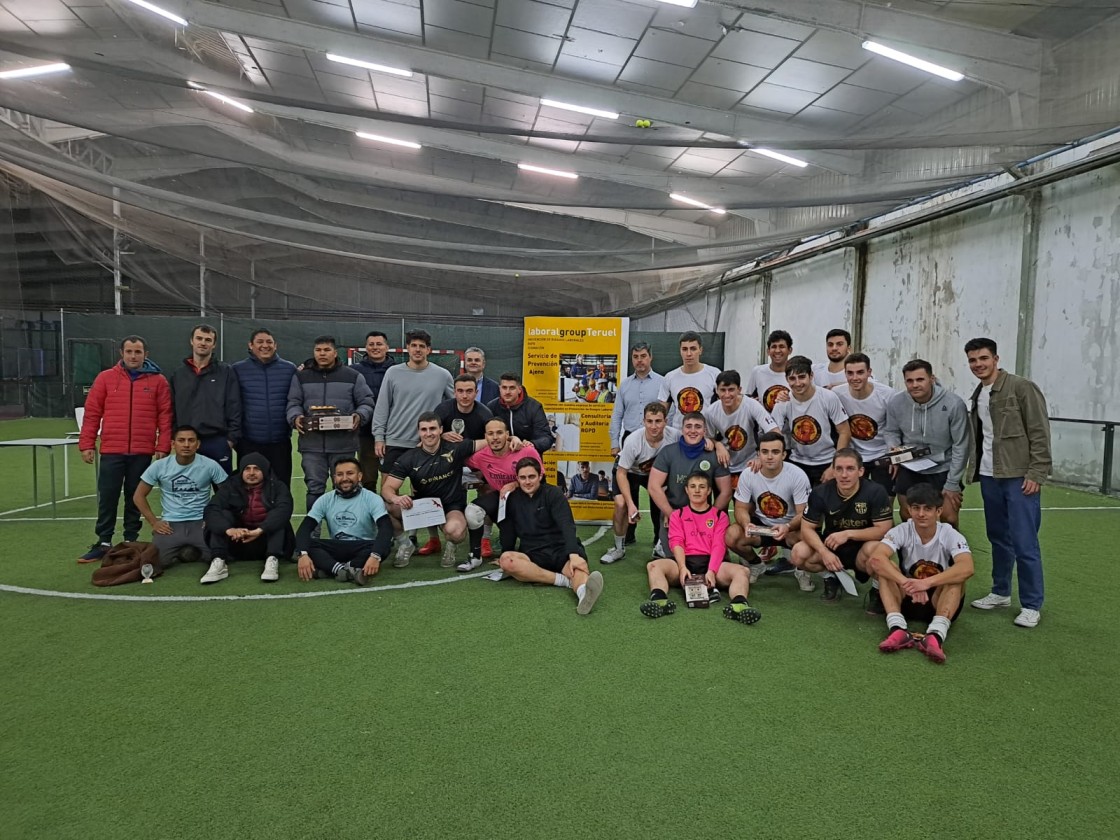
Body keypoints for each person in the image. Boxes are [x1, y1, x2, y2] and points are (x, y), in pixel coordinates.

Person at [963, 337, 1052, 629]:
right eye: (973, 360)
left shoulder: (1022, 388)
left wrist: (1036, 473)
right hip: (990, 476)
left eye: (983, 359)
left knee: (1025, 542)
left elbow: (1039, 431)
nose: (978, 365)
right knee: (998, 537)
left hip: (1018, 477)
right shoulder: (978, 393)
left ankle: (1031, 604)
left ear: (996, 359)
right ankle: (1001, 592)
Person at [78, 334, 174, 563]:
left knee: (135, 497)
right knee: (108, 497)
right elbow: (92, 414)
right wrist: (86, 444)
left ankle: (131, 540)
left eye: (138, 352)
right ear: (121, 353)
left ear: (145, 355)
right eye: (129, 351)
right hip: (112, 450)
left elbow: (166, 416)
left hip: (142, 452)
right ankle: (103, 541)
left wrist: (162, 446)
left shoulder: (158, 381)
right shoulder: (105, 379)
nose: (133, 356)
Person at [867, 482, 975, 663]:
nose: (921, 514)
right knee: (886, 568)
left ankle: (935, 635)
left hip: (938, 599)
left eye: (928, 509)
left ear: (938, 512)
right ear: (909, 509)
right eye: (916, 508)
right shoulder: (902, 530)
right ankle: (898, 630)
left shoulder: (950, 534)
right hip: (908, 596)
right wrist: (906, 583)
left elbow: (967, 567)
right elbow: (876, 559)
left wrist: (925, 583)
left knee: (957, 576)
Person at [640, 471, 759, 624]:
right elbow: (676, 542)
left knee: (743, 571)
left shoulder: (719, 516)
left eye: (702, 487)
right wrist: (682, 567)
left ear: (709, 491)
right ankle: (660, 601)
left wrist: (711, 571)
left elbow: (718, 545)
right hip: (684, 563)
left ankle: (738, 606)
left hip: (712, 564)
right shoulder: (677, 515)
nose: (697, 490)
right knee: (654, 565)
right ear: (686, 490)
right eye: (693, 486)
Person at [498, 457, 605, 615]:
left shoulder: (553, 493)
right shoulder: (511, 498)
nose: (527, 482)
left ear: (540, 476)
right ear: (517, 479)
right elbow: (508, 530)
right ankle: (563, 581)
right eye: (523, 478)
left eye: (531, 477)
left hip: (560, 548)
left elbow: (566, 524)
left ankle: (583, 595)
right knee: (507, 561)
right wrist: (504, 552)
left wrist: (573, 554)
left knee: (577, 567)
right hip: (532, 553)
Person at [380, 413, 486, 570]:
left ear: (441, 430)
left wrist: (514, 440)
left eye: (432, 429)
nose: (428, 433)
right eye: (424, 429)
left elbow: (490, 441)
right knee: (385, 508)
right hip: (422, 507)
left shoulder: (455, 448)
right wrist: (396, 498)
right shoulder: (408, 458)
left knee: (456, 532)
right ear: (418, 432)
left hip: (451, 506)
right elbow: (387, 488)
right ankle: (406, 544)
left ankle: (451, 545)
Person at [790, 448, 893, 603]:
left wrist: (848, 534)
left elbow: (883, 529)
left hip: (863, 548)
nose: (844, 475)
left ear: (861, 471)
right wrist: (824, 552)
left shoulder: (876, 491)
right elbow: (807, 528)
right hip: (833, 547)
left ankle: (877, 589)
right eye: (839, 469)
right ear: (834, 471)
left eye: (850, 469)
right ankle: (831, 577)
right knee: (799, 553)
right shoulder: (820, 492)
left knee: (875, 551)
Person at [286, 335, 375, 511]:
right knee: (314, 488)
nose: (322, 354)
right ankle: (313, 532)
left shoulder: (352, 376)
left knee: (345, 488)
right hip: (312, 445)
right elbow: (293, 403)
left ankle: (345, 530)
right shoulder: (301, 376)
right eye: (318, 350)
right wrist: (295, 417)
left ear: (335, 352)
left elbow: (367, 402)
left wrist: (359, 415)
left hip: (343, 445)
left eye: (326, 350)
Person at [883, 359, 970, 528]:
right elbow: (891, 431)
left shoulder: (954, 404)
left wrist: (952, 483)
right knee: (907, 515)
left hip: (943, 466)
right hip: (910, 465)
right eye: (909, 380)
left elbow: (961, 444)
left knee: (948, 517)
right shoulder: (896, 402)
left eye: (920, 379)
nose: (914, 385)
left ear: (932, 379)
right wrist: (894, 451)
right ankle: (913, 553)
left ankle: (950, 554)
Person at [725, 431, 813, 590]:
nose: (770, 456)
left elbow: (804, 514)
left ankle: (802, 571)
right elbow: (740, 507)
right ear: (758, 454)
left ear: (784, 454)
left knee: (808, 538)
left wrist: (787, 527)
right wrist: (746, 524)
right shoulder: (748, 474)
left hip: (790, 527)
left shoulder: (797, 475)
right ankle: (756, 564)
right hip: (763, 526)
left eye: (775, 452)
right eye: (765, 452)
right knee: (732, 535)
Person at [371, 329, 456, 493]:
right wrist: (379, 437)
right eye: (414, 345)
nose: (418, 349)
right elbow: (382, 407)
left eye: (422, 346)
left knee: (421, 495)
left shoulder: (442, 375)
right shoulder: (393, 373)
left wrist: (444, 432)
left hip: (427, 443)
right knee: (387, 491)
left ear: (428, 350)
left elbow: (454, 406)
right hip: (395, 441)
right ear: (407, 348)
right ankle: (391, 520)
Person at [133, 425, 228, 569]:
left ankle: (188, 551)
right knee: (156, 562)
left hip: (201, 523)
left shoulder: (210, 465)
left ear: (198, 444)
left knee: (220, 556)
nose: (186, 445)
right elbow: (138, 496)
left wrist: (215, 518)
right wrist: (154, 522)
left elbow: (227, 494)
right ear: (173, 444)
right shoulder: (159, 466)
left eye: (191, 440)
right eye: (181, 440)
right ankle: (185, 551)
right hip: (171, 525)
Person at [294, 457, 393, 586]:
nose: (345, 478)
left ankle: (330, 570)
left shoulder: (372, 499)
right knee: (309, 544)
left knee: (384, 547)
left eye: (350, 473)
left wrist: (375, 556)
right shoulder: (325, 499)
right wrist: (302, 555)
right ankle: (347, 571)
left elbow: (386, 528)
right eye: (340, 474)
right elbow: (305, 528)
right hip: (337, 546)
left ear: (360, 476)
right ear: (334, 478)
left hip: (363, 546)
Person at [602, 402, 679, 564]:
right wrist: (631, 504)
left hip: (654, 474)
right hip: (628, 472)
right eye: (649, 421)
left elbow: (694, 439)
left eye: (658, 421)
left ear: (666, 421)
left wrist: (713, 443)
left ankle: (660, 545)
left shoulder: (675, 436)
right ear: (643, 421)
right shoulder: (633, 441)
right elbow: (621, 473)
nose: (654, 426)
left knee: (668, 500)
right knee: (621, 504)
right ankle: (619, 548)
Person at [202, 452, 295, 584]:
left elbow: (284, 509)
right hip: (237, 541)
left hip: (265, 540)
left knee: (278, 518)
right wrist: (229, 530)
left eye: (256, 469)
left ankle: (272, 559)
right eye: (247, 469)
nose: (251, 473)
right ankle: (219, 561)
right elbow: (211, 509)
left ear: (264, 470)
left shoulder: (278, 486)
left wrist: (259, 530)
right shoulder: (230, 486)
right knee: (223, 514)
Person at [648, 413, 732, 555]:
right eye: (688, 426)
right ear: (682, 429)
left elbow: (726, 492)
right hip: (674, 514)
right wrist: (672, 514)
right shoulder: (668, 452)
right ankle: (663, 547)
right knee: (675, 567)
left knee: (710, 565)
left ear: (704, 431)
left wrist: (710, 515)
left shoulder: (715, 455)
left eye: (698, 427)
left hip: (703, 517)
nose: (693, 431)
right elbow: (653, 486)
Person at [465, 417, 540, 564]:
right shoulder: (480, 456)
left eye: (499, 433)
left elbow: (541, 476)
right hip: (502, 499)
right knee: (472, 511)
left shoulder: (526, 450)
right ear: (485, 437)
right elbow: (454, 458)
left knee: (526, 553)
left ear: (507, 434)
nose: (495, 437)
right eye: (490, 434)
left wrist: (515, 484)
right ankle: (475, 556)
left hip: (527, 500)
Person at [168, 324, 241, 475]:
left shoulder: (226, 372)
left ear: (213, 344)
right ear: (192, 341)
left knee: (224, 492)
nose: (203, 343)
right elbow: (172, 408)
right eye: (199, 338)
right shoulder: (179, 374)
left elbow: (234, 406)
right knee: (189, 491)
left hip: (217, 441)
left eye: (208, 340)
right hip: (187, 442)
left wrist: (231, 439)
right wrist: (174, 435)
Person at [772, 355, 851, 488]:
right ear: (786, 379)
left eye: (802, 377)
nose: (797, 383)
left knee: (824, 507)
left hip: (826, 461)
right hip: (796, 461)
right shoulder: (783, 401)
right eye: (792, 378)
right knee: (797, 507)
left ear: (811, 376)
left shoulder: (828, 397)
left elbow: (845, 432)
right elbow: (774, 435)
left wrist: (834, 466)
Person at [232, 328, 297, 487]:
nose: (265, 346)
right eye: (260, 342)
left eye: (269, 342)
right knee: (249, 489)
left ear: (276, 345)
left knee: (281, 486)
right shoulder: (237, 369)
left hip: (280, 442)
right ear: (250, 345)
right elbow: (232, 403)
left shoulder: (289, 369)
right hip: (248, 442)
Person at [835, 352, 897, 500]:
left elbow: (896, 428)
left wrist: (895, 455)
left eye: (860, 372)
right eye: (850, 373)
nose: (855, 378)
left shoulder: (887, 395)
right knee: (852, 503)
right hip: (854, 455)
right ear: (845, 374)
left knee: (884, 504)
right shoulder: (836, 394)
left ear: (869, 372)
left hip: (882, 455)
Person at [702, 369, 779, 482]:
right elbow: (708, 438)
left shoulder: (751, 405)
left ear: (739, 390)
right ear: (717, 391)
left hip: (751, 463)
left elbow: (775, 432)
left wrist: (761, 457)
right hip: (724, 462)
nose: (727, 395)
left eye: (731, 390)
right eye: (723, 390)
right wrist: (718, 445)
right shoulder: (711, 411)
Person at [353, 330, 395, 491]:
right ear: (366, 347)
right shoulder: (355, 371)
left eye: (379, 344)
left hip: (393, 433)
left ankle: (390, 515)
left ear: (387, 347)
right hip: (366, 433)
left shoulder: (398, 370)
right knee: (368, 478)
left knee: (391, 479)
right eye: (371, 344)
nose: (375, 347)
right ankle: (369, 513)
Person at [609, 341, 664, 454]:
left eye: (643, 356)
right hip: (630, 438)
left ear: (650, 357)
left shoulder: (663, 383)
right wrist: (614, 443)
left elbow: (669, 414)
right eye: (635, 357)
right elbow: (617, 415)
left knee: (655, 472)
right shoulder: (624, 385)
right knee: (627, 472)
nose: (639, 360)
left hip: (656, 440)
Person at [658, 331, 721, 428]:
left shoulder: (715, 374)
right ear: (680, 351)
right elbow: (660, 414)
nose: (688, 353)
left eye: (693, 349)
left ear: (700, 350)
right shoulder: (670, 377)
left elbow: (724, 408)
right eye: (684, 349)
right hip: (679, 435)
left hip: (706, 436)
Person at [486, 372, 553, 454]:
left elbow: (546, 438)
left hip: (527, 457)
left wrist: (532, 444)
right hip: (499, 458)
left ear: (519, 389)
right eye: (504, 387)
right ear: (499, 388)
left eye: (512, 388)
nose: (507, 392)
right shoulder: (491, 406)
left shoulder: (534, 407)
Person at [435, 374, 493, 443]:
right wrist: (441, 436)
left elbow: (491, 440)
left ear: (476, 393)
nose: (464, 396)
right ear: (455, 392)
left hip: (475, 452)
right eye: (460, 391)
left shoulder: (485, 415)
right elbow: (428, 434)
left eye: (469, 391)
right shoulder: (442, 410)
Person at [745, 329, 793, 412]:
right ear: (768, 351)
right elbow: (748, 399)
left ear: (790, 350)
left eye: (781, 346)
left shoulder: (797, 375)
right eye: (774, 347)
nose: (777, 351)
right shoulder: (757, 372)